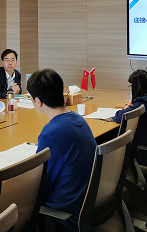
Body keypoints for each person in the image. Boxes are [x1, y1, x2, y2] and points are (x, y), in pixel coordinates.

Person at [27, 68, 97, 232]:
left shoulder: (51, 133)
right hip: (86, 200)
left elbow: (40, 184)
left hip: (66, 213)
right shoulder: (78, 119)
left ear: (38, 102)